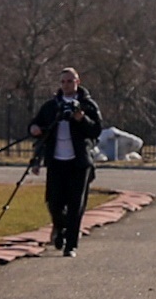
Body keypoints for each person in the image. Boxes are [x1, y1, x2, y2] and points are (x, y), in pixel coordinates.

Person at [28, 66, 102, 256]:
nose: (66, 85)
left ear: (78, 82)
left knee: (75, 205)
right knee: (54, 202)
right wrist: (34, 128)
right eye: (63, 81)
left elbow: (96, 131)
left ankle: (71, 245)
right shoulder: (51, 106)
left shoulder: (87, 105)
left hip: (79, 162)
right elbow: (35, 124)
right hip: (56, 161)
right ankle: (59, 228)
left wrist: (80, 118)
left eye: (70, 81)